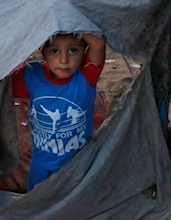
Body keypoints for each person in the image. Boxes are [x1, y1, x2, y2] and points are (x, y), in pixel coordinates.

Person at [12, 33, 106, 191]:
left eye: (73, 50)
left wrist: (69, 21)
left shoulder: (86, 75)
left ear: (84, 51)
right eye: (54, 51)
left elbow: (98, 45)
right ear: (43, 51)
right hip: (40, 165)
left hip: (78, 166)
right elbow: (0, 84)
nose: (64, 60)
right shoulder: (31, 75)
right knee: (37, 207)